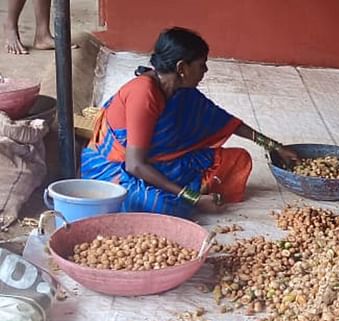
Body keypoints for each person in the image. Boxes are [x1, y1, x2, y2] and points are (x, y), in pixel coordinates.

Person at [80, 28, 297, 217]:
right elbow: (135, 164)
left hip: (159, 162)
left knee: (237, 160)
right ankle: (190, 194)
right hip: (118, 169)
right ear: (182, 67)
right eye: (202, 65)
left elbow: (222, 120)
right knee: (162, 205)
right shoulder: (144, 93)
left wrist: (273, 146)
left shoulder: (180, 91)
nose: (205, 71)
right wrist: (193, 198)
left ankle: (184, 190)